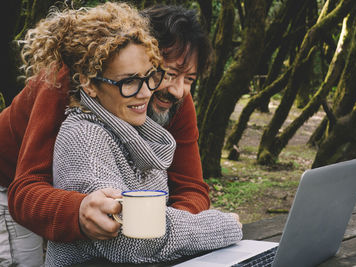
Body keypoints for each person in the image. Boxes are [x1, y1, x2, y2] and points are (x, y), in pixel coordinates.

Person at [12, 2, 241, 265]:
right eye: (170, 73)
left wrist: (168, 232)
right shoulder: (66, 84)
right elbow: (25, 189)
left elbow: (190, 187)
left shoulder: (168, 97)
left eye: (190, 78)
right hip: (11, 180)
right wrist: (78, 211)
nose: (178, 90)